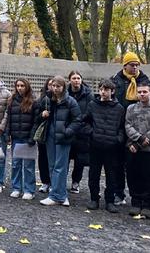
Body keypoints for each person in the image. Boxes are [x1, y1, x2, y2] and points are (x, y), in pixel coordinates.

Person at [110, 52, 150, 205]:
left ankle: (139, 197)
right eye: (132, 65)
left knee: (135, 165)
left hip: (138, 129)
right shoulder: (115, 80)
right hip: (119, 126)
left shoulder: (145, 81)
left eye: (137, 65)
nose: (135, 67)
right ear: (125, 65)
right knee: (117, 163)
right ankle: (118, 193)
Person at [83, 79, 125, 213]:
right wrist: (92, 133)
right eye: (101, 89)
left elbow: (122, 127)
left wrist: (118, 139)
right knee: (93, 174)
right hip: (95, 145)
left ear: (112, 91)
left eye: (106, 90)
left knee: (111, 175)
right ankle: (94, 198)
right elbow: (85, 122)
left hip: (112, 147)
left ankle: (110, 201)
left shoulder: (119, 108)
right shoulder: (92, 105)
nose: (103, 92)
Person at [39, 76, 81, 207]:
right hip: (50, 136)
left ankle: (56, 196)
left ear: (63, 87)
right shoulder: (47, 99)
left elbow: (78, 119)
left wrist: (67, 132)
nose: (55, 89)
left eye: (58, 86)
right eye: (53, 86)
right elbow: (37, 113)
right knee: (52, 166)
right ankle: (60, 195)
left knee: (60, 167)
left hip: (63, 138)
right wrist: (43, 114)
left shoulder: (70, 101)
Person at [125, 82, 150, 218]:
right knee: (133, 175)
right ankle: (135, 202)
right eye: (140, 92)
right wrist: (137, 139)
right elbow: (128, 125)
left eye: (145, 92)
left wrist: (140, 142)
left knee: (149, 177)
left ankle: (147, 204)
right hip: (133, 148)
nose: (142, 94)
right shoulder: (131, 108)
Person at [7, 78, 40, 200]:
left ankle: (29, 189)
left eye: (22, 86)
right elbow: (9, 119)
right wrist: (7, 134)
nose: (19, 88)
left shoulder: (33, 102)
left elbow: (36, 121)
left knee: (28, 165)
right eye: (18, 86)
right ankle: (16, 188)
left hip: (27, 138)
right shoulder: (12, 100)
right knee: (16, 164)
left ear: (27, 87)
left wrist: (32, 137)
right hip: (16, 137)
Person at [67, 71, 92, 194]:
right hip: (68, 131)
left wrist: (84, 126)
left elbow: (90, 112)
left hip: (82, 132)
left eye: (78, 78)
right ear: (69, 80)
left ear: (81, 80)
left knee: (79, 161)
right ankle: (60, 182)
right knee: (64, 159)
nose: (76, 80)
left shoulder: (88, 94)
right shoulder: (65, 92)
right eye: (73, 78)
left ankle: (75, 182)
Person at [37, 78, 53, 193]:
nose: (53, 87)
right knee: (43, 158)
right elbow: (35, 117)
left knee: (54, 160)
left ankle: (54, 182)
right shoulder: (42, 100)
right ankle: (45, 182)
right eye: (51, 84)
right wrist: (42, 115)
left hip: (55, 133)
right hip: (44, 133)